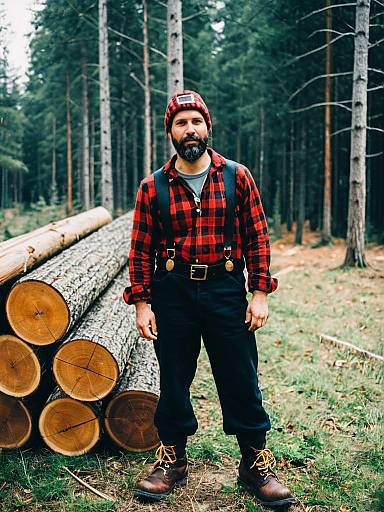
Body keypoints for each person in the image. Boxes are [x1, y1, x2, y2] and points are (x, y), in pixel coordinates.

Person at [123, 90, 295, 509]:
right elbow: (141, 249)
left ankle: (254, 462)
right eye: (181, 123)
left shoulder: (237, 176)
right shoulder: (153, 187)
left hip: (225, 289)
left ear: (207, 126)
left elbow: (257, 237)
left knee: (240, 376)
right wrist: (142, 303)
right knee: (175, 377)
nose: (190, 130)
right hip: (173, 291)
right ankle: (172, 460)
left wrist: (259, 294)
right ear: (170, 132)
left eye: (195, 121)